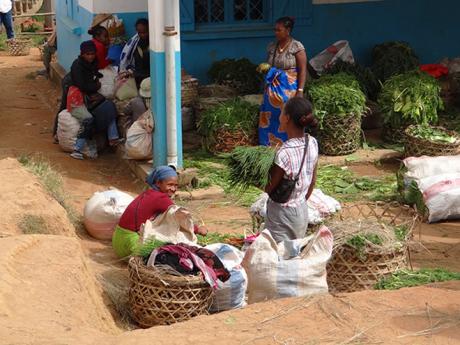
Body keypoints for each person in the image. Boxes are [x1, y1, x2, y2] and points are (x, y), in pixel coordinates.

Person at [112, 166, 208, 258]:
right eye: (170, 185)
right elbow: (180, 218)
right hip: (130, 245)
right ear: (158, 183)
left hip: (118, 239)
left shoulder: (149, 193)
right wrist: (198, 229)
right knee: (175, 249)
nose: (173, 189)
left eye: (176, 185)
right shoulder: (160, 198)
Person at [264, 97, 318, 243]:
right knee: (295, 252)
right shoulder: (312, 142)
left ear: (287, 118)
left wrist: (253, 178)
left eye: (281, 113)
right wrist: (299, 201)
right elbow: (312, 181)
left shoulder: (284, 153)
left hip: (281, 215)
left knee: (279, 257)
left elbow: (269, 188)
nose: (279, 117)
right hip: (301, 210)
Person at [258, 16, 307, 147]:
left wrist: (300, 91)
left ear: (288, 30)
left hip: (289, 89)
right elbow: (271, 66)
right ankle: (269, 145)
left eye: (279, 30)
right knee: (269, 116)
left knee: (287, 116)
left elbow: (302, 70)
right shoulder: (272, 47)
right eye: (275, 30)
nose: (276, 33)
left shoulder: (297, 47)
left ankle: (289, 144)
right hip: (272, 88)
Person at [69, 40, 121, 159]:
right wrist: (96, 86)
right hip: (78, 100)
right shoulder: (77, 65)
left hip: (90, 99)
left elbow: (94, 76)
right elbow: (81, 85)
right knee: (88, 119)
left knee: (109, 107)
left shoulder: (93, 64)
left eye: (92, 54)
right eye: (87, 54)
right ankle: (77, 149)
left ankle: (113, 138)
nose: (90, 56)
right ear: (82, 54)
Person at [119, 18, 150, 88]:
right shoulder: (136, 45)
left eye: (144, 32)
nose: (142, 35)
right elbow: (136, 64)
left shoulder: (153, 46)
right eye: (139, 33)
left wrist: (135, 74)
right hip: (139, 74)